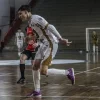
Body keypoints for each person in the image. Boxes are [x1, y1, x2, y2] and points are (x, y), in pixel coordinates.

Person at [18, 5, 75, 97]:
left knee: (43, 71)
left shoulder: (36, 18)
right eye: (19, 14)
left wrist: (60, 38)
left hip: (50, 43)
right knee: (35, 66)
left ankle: (68, 72)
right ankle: (37, 91)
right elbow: (39, 34)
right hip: (42, 45)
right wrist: (30, 38)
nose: (20, 16)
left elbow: (50, 26)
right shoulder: (30, 23)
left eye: (21, 13)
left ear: (26, 12)